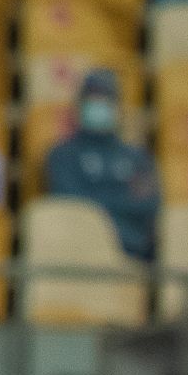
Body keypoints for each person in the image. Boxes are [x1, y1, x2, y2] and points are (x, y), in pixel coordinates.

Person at [45, 68, 160, 262]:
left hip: (132, 251)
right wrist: (121, 204)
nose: (99, 105)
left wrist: (98, 204)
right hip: (79, 252)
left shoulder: (138, 158)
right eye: (92, 99)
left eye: (105, 99)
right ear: (80, 105)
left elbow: (147, 204)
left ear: (117, 106)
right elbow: (69, 202)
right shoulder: (62, 155)